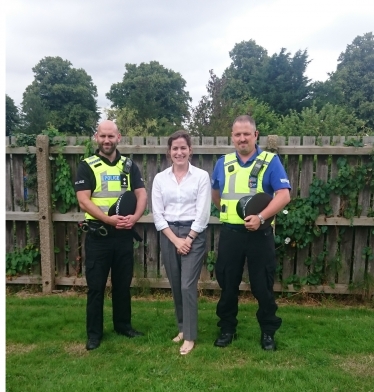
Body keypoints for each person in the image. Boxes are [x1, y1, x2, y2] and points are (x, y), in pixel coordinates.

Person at [211, 115, 291, 351]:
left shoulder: (270, 161)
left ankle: (268, 332)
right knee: (227, 283)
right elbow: (216, 195)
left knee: (262, 286)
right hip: (231, 234)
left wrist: (261, 217)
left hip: (260, 235)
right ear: (232, 137)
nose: (242, 138)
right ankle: (227, 329)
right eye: (237, 134)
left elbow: (284, 195)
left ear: (256, 135)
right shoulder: (222, 163)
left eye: (247, 133)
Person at [74, 120, 147, 351]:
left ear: (119, 137)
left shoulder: (129, 165)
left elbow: (142, 194)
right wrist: (107, 219)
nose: (107, 140)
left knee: (122, 285)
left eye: (111, 136)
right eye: (103, 136)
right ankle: (94, 334)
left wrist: (134, 218)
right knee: (96, 287)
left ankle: (123, 326)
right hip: (99, 235)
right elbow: (83, 200)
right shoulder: (87, 165)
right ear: (97, 137)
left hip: (124, 235)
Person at [151, 130, 211, 355]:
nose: (179, 152)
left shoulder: (201, 177)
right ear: (169, 152)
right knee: (176, 285)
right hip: (169, 235)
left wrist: (188, 239)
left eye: (183, 148)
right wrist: (176, 240)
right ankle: (182, 329)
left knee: (187, 285)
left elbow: (203, 213)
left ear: (190, 151)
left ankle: (191, 336)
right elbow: (158, 215)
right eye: (175, 148)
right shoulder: (160, 179)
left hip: (193, 235)